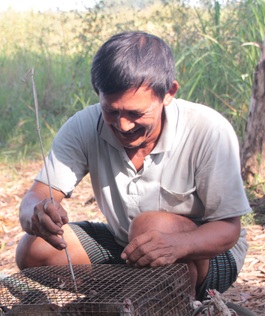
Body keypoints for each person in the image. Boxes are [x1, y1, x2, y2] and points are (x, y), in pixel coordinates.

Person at [15, 31, 251, 300]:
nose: (123, 125)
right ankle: (132, 299)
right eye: (112, 111)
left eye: (136, 114)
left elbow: (228, 229)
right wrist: (36, 214)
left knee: (150, 226)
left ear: (169, 93)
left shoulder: (208, 130)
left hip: (207, 254)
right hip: (127, 247)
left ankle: (173, 306)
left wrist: (177, 245)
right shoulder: (83, 126)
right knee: (33, 250)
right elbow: (36, 197)